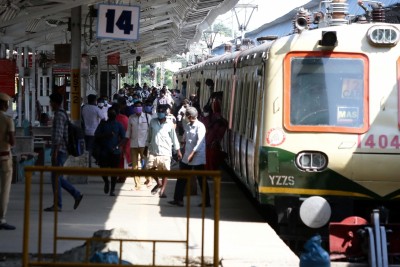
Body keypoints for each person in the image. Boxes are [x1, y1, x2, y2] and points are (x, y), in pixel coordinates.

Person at [44, 92, 83, 212]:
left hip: (60, 150)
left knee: (55, 177)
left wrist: (55, 151)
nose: (50, 104)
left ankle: (60, 203)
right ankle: (74, 195)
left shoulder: (59, 116)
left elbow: (58, 135)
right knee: (56, 177)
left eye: (51, 102)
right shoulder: (61, 114)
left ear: (55, 103)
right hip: (61, 150)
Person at [169, 107, 210, 207]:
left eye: (187, 115)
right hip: (187, 156)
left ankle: (206, 201)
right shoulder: (188, 125)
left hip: (197, 157)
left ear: (190, 116)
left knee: (201, 179)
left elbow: (200, 143)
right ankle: (178, 199)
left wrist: (193, 154)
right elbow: (186, 138)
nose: (185, 117)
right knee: (181, 178)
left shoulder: (200, 126)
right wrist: (182, 146)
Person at [145, 104, 182, 197]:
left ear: (166, 113)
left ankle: (162, 190)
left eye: (162, 111)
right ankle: (159, 182)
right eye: (159, 111)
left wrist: (178, 151)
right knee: (149, 168)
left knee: (165, 171)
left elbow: (174, 138)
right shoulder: (152, 122)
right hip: (153, 151)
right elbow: (149, 136)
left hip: (166, 151)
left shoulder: (170, 124)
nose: (160, 113)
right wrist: (146, 147)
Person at [94, 107, 125, 196]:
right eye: (110, 112)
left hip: (115, 152)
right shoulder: (103, 124)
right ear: (107, 114)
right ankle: (106, 181)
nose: (111, 114)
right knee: (103, 169)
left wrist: (118, 146)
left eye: (113, 112)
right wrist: (106, 135)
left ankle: (112, 189)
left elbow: (124, 138)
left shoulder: (119, 125)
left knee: (114, 171)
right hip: (104, 151)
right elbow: (96, 135)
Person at [124, 101, 153, 189]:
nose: (138, 108)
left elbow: (151, 131)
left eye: (139, 107)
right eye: (136, 107)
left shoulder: (148, 117)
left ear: (142, 108)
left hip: (144, 145)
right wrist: (125, 142)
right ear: (134, 108)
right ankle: (137, 184)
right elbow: (128, 130)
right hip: (133, 144)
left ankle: (149, 179)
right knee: (134, 166)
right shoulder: (131, 118)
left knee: (146, 164)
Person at [0, 93, 16, 230]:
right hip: (4, 157)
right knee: (4, 189)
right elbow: (12, 141)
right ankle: (1, 219)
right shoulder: (7, 120)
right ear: (5, 105)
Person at [81, 94, 106, 167]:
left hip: (85, 131)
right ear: (95, 100)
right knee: (95, 148)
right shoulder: (96, 109)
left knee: (88, 148)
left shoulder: (83, 108)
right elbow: (103, 118)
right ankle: (95, 161)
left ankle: (89, 163)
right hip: (95, 132)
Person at [112, 103, 130, 183]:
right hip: (125, 142)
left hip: (118, 142)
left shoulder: (114, 119)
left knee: (119, 160)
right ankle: (121, 176)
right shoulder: (125, 118)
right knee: (123, 160)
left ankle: (121, 176)